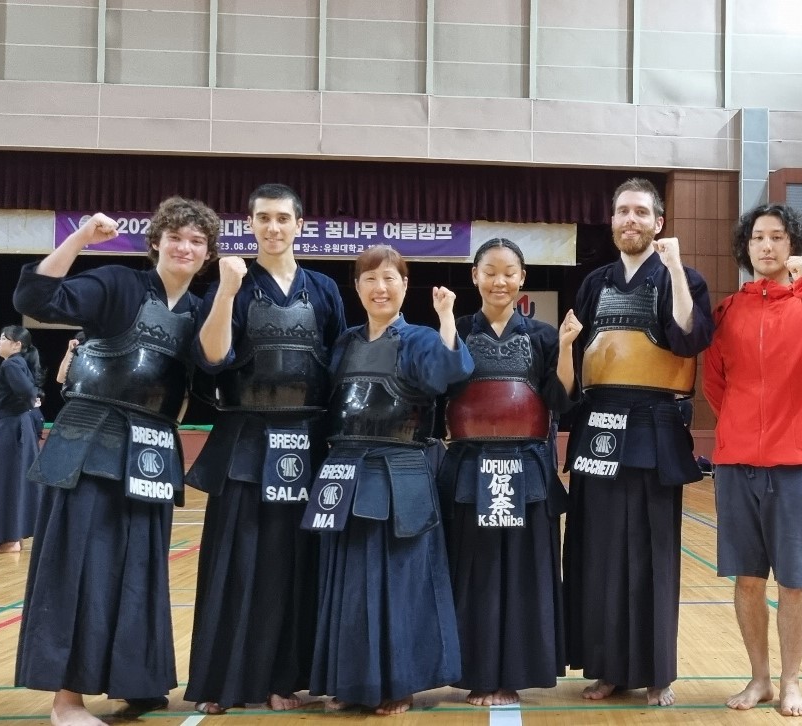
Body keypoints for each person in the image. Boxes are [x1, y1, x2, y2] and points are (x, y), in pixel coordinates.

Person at [13, 197, 219, 726]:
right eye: (175, 237)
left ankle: (138, 681)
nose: (185, 247)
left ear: (208, 254)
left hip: (152, 447)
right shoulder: (118, 284)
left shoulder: (201, 312)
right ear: (156, 242)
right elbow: (36, 297)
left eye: (197, 241)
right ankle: (66, 701)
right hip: (91, 436)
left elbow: (217, 371)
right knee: (79, 564)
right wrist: (81, 238)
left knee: (140, 568)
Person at [184, 183, 346, 715]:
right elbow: (211, 358)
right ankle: (221, 681)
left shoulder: (324, 289)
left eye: (282, 218)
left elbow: (340, 366)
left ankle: (284, 679)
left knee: (294, 565)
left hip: (309, 442)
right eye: (263, 218)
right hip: (245, 441)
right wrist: (226, 291)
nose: (273, 227)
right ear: (249, 224)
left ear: (300, 224)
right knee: (235, 560)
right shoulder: (232, 282)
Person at [704, 203, 802, 717]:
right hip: (736, 465)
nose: (766, 246)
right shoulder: (728, 311)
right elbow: (715, 384)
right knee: (748, 579)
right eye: (757, 238)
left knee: (794, 582)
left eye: (777, 237)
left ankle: (792, 682)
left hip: (797, 466)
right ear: (746, 247)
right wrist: (744, 426)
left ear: (793, 246)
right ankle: (760, 679)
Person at [305, 245, 473, 715]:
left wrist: (446, 318)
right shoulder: (345, 342)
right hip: (345, 472)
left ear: (404, 285)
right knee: (347, 581)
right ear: (357, 288)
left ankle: (400, 682)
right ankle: (350, 680)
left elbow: (448, 374)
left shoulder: (419, 338)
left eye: (389, 279)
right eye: (370, 280)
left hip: (402, 472)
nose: (380, 288)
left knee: (402, 581)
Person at [565, 178, 713, 706]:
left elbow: (689, 339)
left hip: (653, 426)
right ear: (612, 221)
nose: (631, 219)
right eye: (622, 211)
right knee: (599, 553)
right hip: (599, 426)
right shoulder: (594, 283)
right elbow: (579, 354)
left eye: (641, 212)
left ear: (659, 223)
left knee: (653, 553)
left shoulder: (683, 278)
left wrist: (674, 269)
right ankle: (607, 668)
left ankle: (656, 673)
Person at [437, 239, 580, 706]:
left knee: (524, 572)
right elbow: (440, 386)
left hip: (527, 468)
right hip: (470, 467)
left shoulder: (542, 335)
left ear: (522, 278)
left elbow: (560, 400)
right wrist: (444, 322)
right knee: (474, 571)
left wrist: (565, 348)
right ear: (474, 276)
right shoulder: (457, 328)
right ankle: (477, 673)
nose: (499, 281)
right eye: (490, 271)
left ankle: (515, 674)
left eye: (509, 272)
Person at [0, 326, 44, 554]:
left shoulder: (11, 364)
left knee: (6, 481)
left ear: (17, 345)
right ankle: (14, 535)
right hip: (16, 426)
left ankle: (11, 539)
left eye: (3, 338)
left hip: (9, 427)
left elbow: (28, 392)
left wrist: (24, 405)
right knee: (13, 480)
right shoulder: (19, 363)